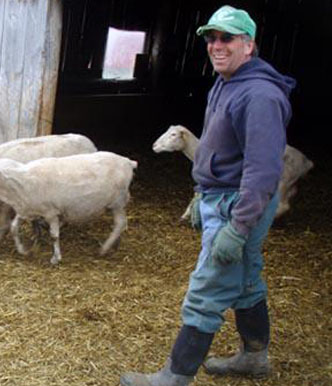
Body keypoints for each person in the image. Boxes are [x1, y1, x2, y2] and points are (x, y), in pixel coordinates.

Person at [120, 5, 296, 386]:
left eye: (226, 38)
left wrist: (238, 225)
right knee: (246, 280)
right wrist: (202, 191)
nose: (216, 45)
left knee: (208, 287)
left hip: (239, 204)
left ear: (248, 45)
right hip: (223, 196)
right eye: (211, 38)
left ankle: (175, 376)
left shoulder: (260, 96)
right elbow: (221, 148)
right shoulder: (227, 81)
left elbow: (263, 170)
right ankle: (254, 357)